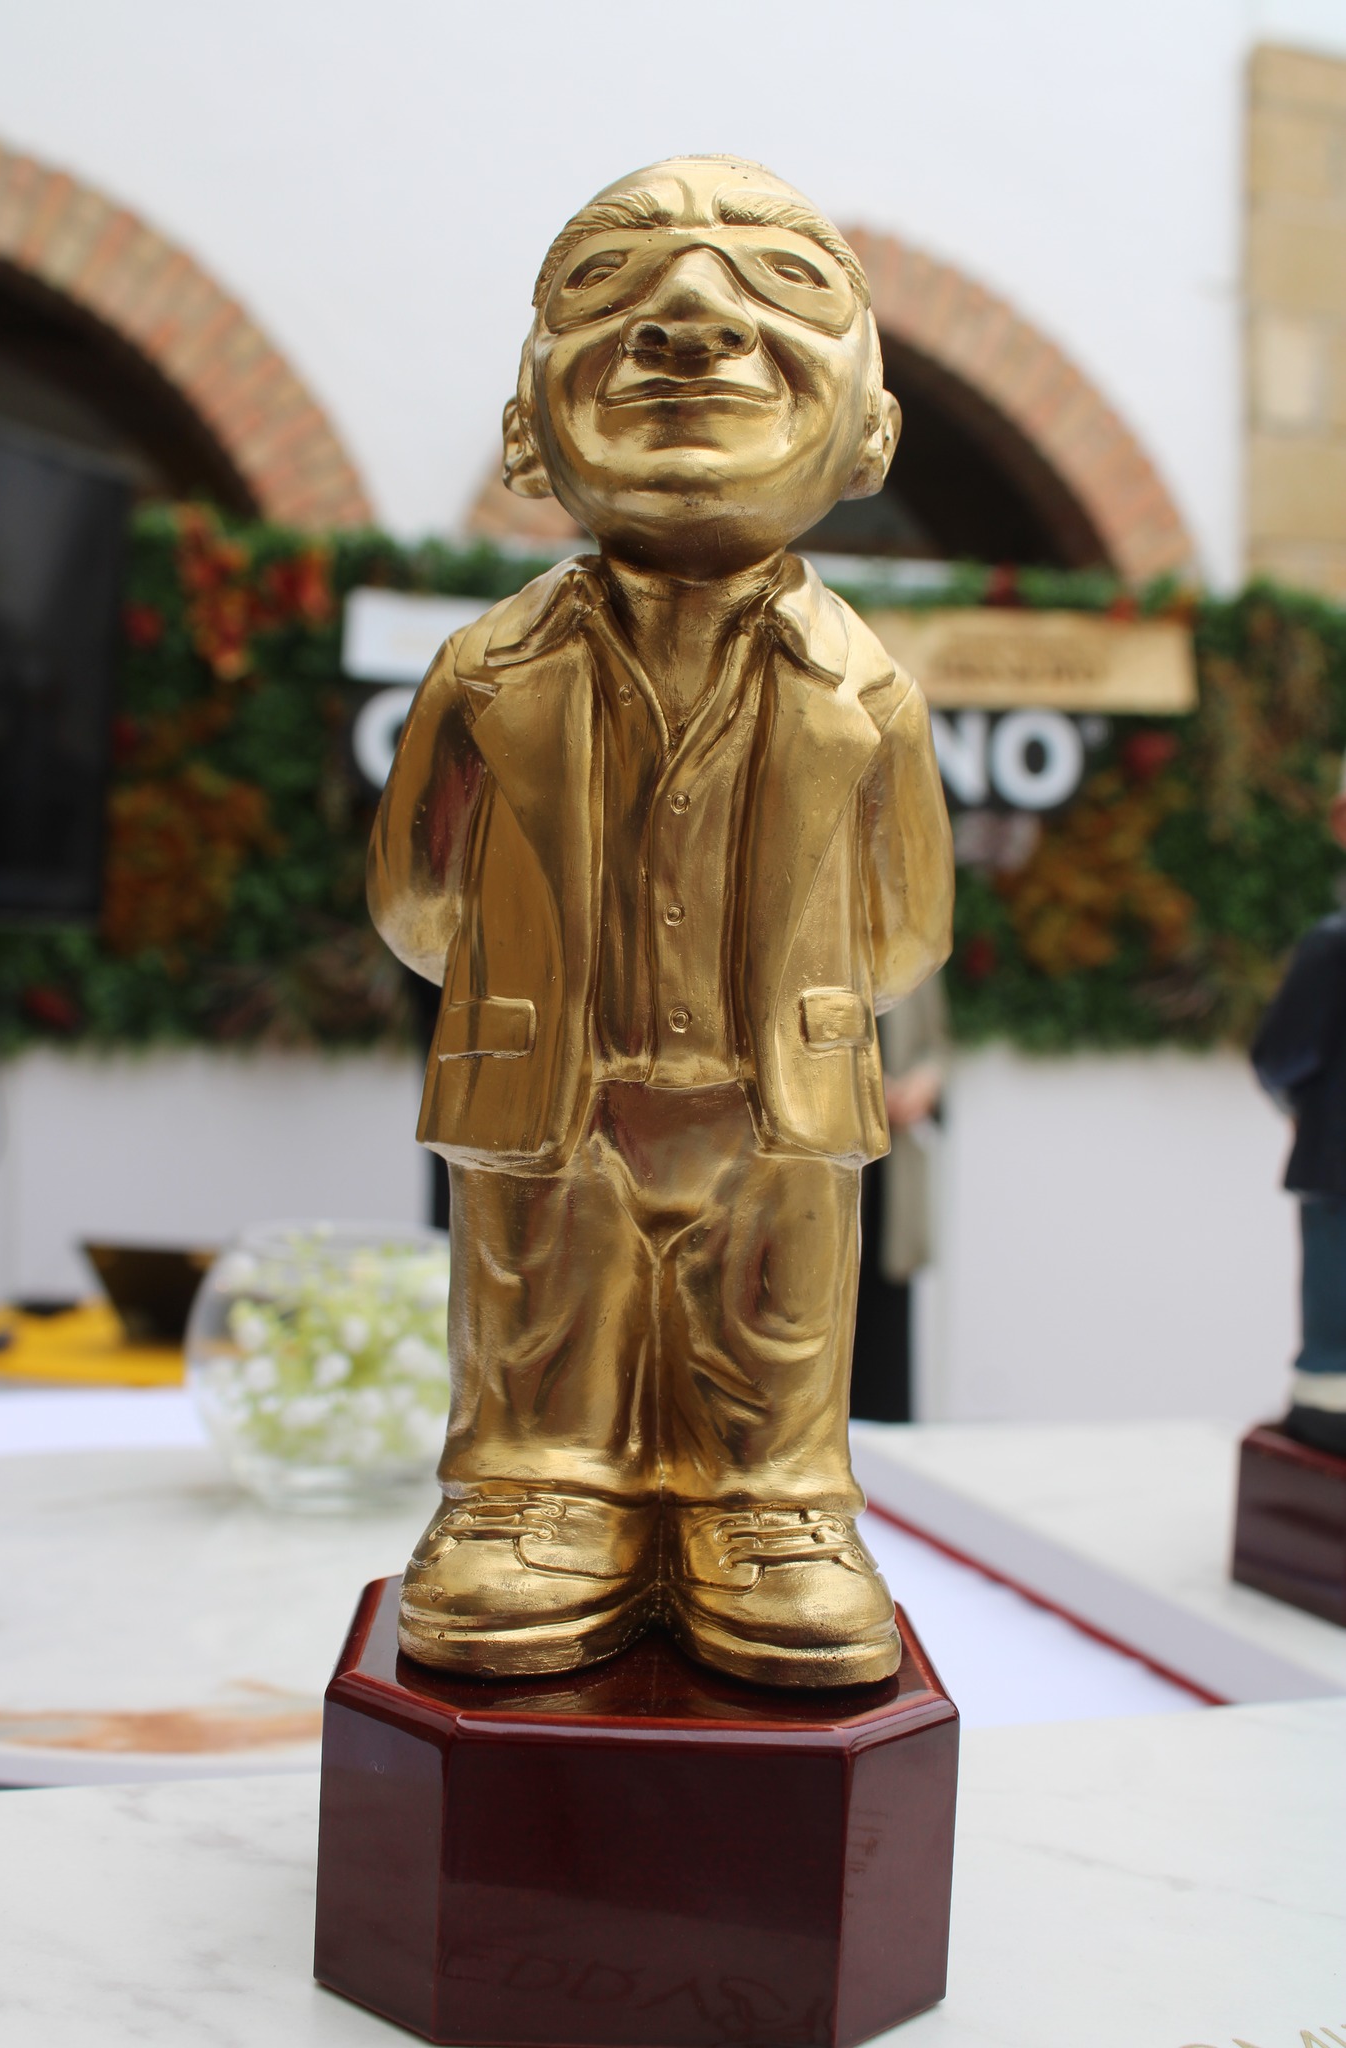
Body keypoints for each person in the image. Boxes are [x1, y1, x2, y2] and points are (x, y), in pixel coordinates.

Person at [369, 156, 954, 1686]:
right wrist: (525, 988)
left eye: (781, 283)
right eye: (608, 286)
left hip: (776, 1100)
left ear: (870, 429)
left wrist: (801, 1009)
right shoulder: (485, 671)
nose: (692, 317)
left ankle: (774, 1507)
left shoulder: (869, 689)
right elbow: (418, 898)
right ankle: (533, 1487)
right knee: (537, 1320)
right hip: (548, 1092)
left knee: (774, 1329)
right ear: (526, 421)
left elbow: (904, 927)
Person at [1251, 758, 1346, 1458]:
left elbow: (1279, 1057)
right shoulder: (1331, 946)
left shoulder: (1332, 946)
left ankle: (1328, 1396)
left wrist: (1296, 1101)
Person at [850, 973, 946, 1422]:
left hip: (894, 1172)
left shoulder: (912, 956)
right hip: (830, 1170)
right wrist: (860, 1087)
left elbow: (937, 1044)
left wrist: (927, 1081)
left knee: (888, 1318)